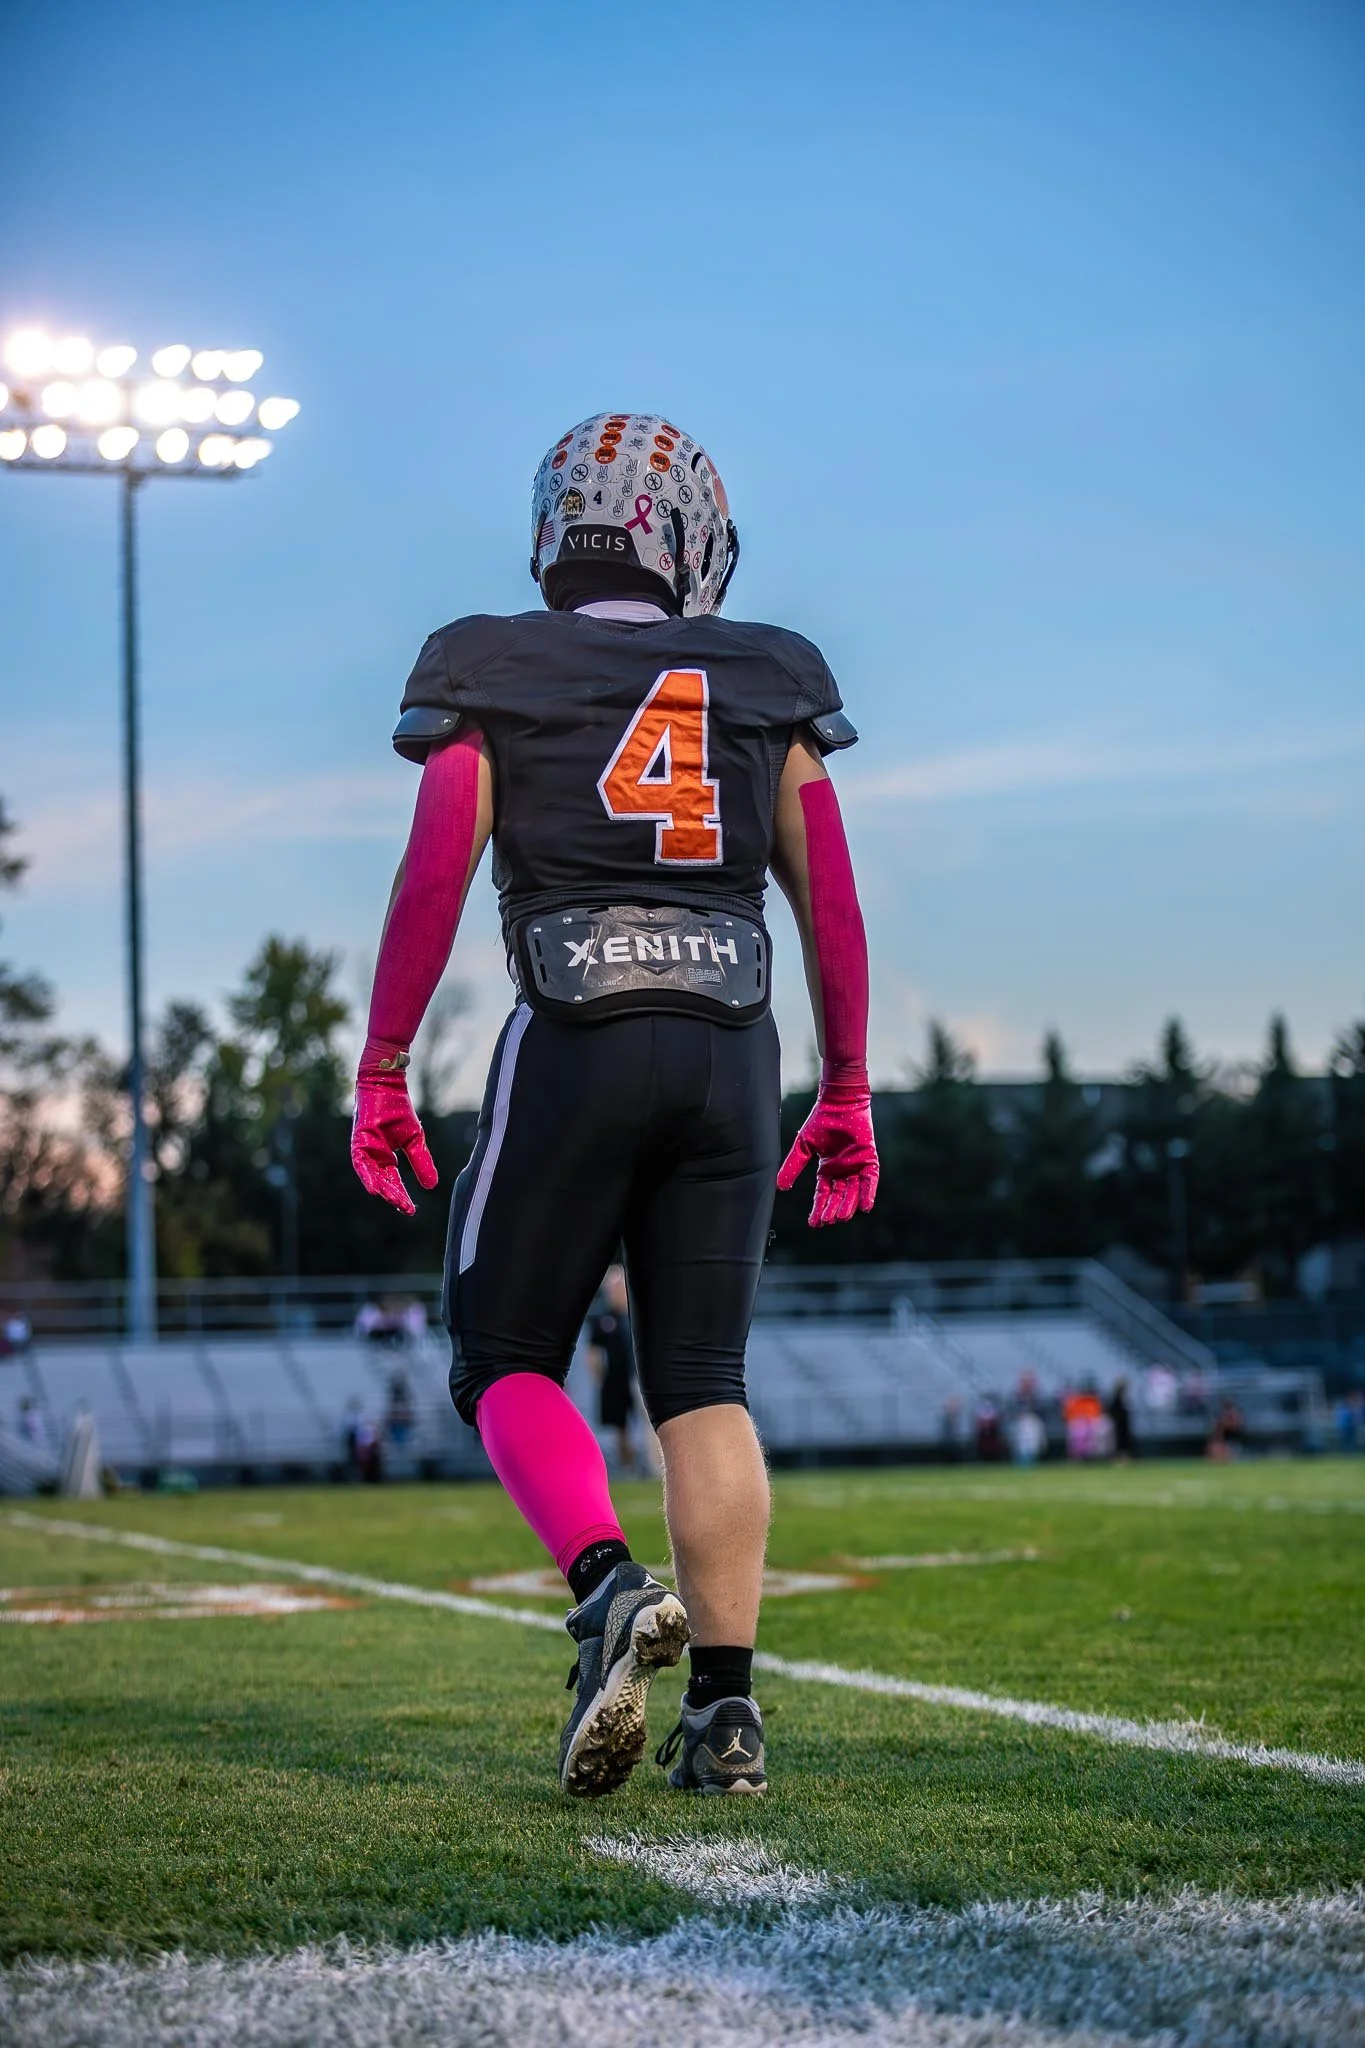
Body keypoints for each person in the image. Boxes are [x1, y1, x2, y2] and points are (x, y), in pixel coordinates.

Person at [350, 412, 878, 1799]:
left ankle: (604, 1583)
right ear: (687, 538)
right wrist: (848, 1082)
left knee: (501, 1352)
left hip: (577, 1026)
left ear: (556, 530)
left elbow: (434, 867)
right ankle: (728, 1713)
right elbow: (827, 891)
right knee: (702, 1381)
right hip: (734, 1045)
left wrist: (384, 1063)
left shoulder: (489, 661)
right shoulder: (768, 673)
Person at [586, 1265, 639, 1473]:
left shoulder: (636, 1314)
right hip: (616, 1378)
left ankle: (649, 1465)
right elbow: (594, 1351)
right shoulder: (603, 1317)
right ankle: (628, 1465)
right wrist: (599, 1375)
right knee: (620, 1423)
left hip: (638, 1377)